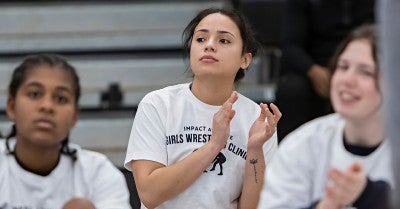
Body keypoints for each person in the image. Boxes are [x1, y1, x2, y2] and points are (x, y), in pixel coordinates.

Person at [124, 8, 281, 209]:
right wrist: (214, 145)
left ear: (245, 59)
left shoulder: (257, 119)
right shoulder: (157, 104)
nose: (209, 45)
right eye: (200, 39)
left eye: (223, 41)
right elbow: (150, 194)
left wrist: (255, 150)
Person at [257, 24, 394, 209]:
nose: (347, 80)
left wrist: (370, 195)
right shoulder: (301, 145)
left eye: (366, 72)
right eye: (343, 67)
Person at [0, 54, 131, 209]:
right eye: (34, 94)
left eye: (61, 99)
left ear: (75, 115)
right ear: (11, 106)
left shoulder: (98, 173)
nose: (47, 106)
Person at [275, 0, 376, 141]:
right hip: (314, 67)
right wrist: (312, 71)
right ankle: (286, 148)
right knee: (291, 88)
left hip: (363, 62)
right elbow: (290, 46)